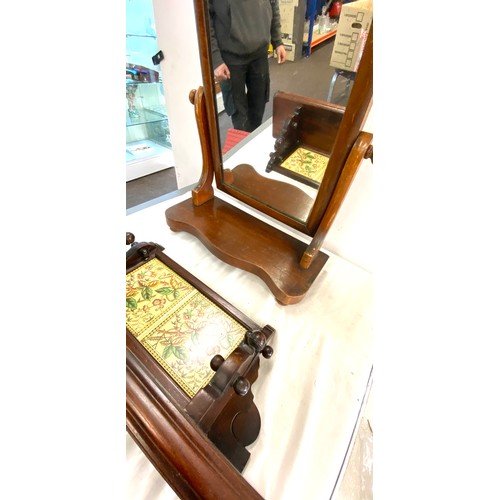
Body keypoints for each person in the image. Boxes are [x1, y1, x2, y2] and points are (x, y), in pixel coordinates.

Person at [208, 0, 287, 133]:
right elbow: (205, 19)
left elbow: (273, 4)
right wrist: (216, 59)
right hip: (230, 58)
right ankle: (243, 141)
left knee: (258, 107)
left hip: (259, 54)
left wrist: (277, 41)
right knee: (239, 116)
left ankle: (252, 140)